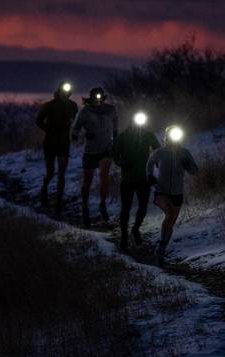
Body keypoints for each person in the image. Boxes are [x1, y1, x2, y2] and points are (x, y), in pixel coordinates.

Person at [146, 125, 198, 266]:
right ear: (167, 137)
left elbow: (195, 171)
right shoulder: (160, 152)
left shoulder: (185, 153)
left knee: (171, 223)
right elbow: (149, 163)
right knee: (169, 214)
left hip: (177, 192)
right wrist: (150, 176)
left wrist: (187, 165)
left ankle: (161, 249)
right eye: (171, 135)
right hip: (161, 190)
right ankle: (161, 249)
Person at [111, 111, 161, 252]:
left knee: (143, 207)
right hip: (127, 179)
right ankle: (124, 236)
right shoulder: (122, 137)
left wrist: (157, 162)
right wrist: (121, 162)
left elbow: (158, 150)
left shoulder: (148, 135)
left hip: (143, 178)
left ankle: (135, 228)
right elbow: (114, 153)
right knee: (125, 209)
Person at [71, 87, 118, 228]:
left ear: (103, 98)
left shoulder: (111, 110)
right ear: (90, 98)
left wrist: (116, 141)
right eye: (94, 98)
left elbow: (116, 126)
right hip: (91, 150)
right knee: (88, 181)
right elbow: (76, 128)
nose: (97, 101)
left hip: (106, 148)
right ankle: (84, 207)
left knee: (104, 176)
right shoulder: (85, 111)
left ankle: (102, 205)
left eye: (100, 98)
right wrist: (81, 135)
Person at [36, 81, 78, 218]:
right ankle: (44, 190)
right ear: (59, 91)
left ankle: (58, 204)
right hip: (49, 143)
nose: (65, 93)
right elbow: (38, 121)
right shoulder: (49, 106)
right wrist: (49, 130)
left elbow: (75, 121)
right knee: (51, 172)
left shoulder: (73, 106)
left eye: (67, 91)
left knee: (62, 174)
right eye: (63, 91)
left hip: (64, 144)